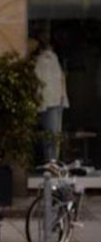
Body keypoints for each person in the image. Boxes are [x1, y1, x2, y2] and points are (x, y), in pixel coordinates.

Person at [34, 34, 69, 166]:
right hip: (51, 101)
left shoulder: (49, 59)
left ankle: (52, 161)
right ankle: (51, 161)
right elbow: (43, 82)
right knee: (52, 135)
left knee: (53, 134)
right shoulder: (46, 59)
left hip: (53, 101)